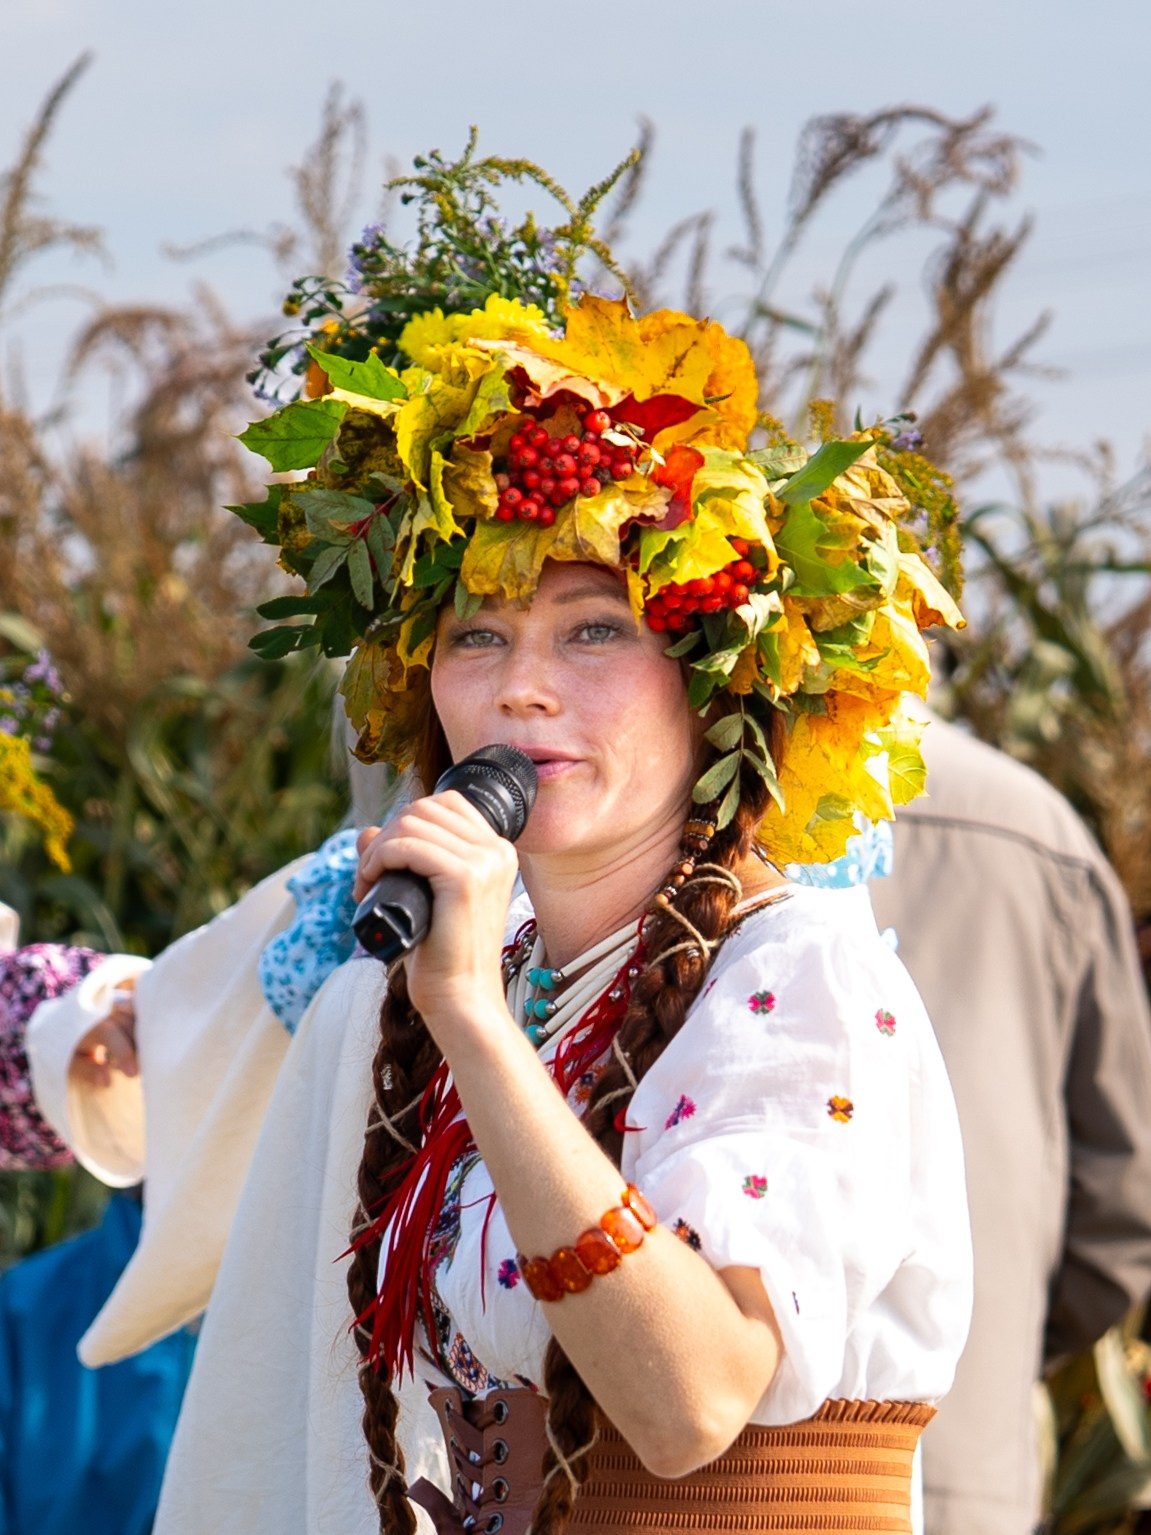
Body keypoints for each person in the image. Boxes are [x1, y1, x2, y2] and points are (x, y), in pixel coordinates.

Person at [27, 151, 973, 1535]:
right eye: (478, 635)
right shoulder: (491, 967)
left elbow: (689, 1397)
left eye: (593, 628)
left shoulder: (797, 977)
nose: (522, 685)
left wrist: (467, 1017)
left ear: (712, 685)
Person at [869, 710, 1151, 1535]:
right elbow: (1121, 1200)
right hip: (961, 1458)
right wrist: (990, 1345)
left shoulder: (669, 797)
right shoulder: (1038, 828)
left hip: (699, 1471)